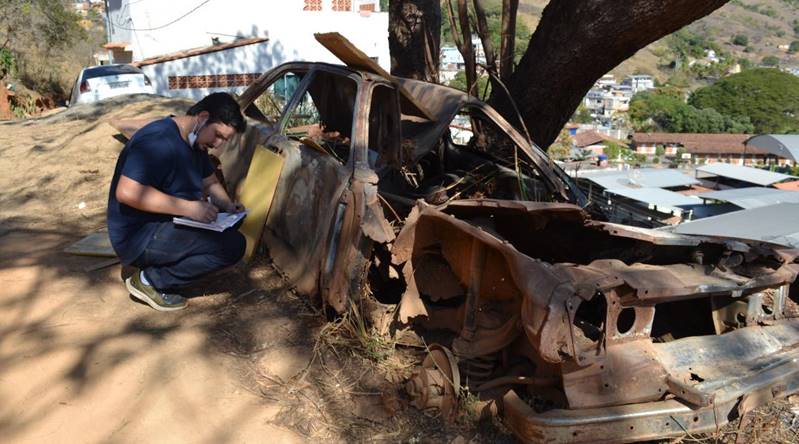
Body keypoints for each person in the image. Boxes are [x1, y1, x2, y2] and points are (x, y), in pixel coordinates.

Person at [107, 92, 247, 311]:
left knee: (233, 225)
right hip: (139, 235)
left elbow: (209, 183)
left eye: (224, 140)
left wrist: (228, 206)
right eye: (217, 135)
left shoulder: (195, 141)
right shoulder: (157, 139)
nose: (217, 144)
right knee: (232, 246)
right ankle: (150, 281)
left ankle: (164, 267)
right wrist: (189, 208)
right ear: (202, 117)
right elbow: (127, 192)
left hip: (168, 223)